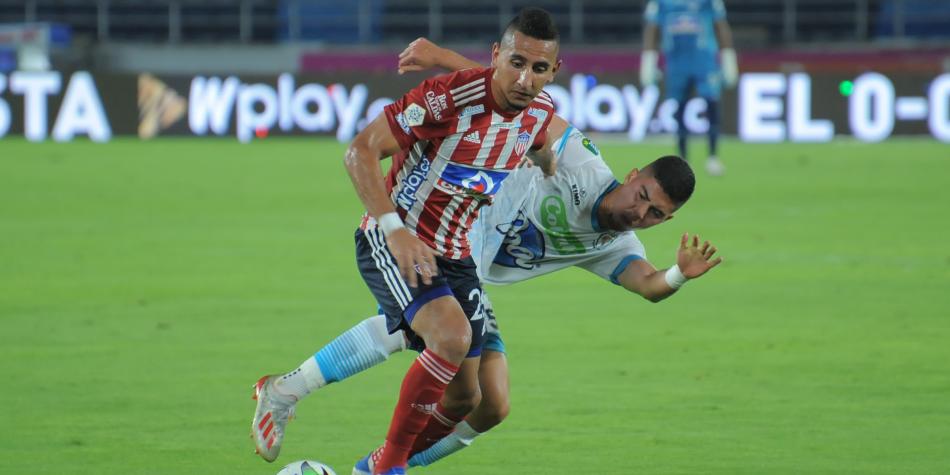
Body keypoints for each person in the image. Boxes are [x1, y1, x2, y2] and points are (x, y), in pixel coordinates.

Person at [256, 36, 723, 474]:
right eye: (641, 195)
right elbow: (515, 90)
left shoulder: (616, 243)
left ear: (664, 222)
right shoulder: (580, 158)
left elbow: (648, 284)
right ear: (633, 173)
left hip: (470, 272)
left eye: (654, 213)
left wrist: (678, 274)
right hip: (450, 232)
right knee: (432, 335)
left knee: (491, 404)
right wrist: (441, 57)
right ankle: (307, 406)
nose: (639, 212)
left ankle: (362, 457)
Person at [251, 8, 562, 475]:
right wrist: (394, 230)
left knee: (467, 396)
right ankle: (388, 467)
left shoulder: (539, 113)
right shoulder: (445, 98)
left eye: (539, 69)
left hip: (456, 255)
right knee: (450, 336)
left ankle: (296, 400)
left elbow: (537, 138)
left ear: (553, 72)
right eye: (516, 62)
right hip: (397, 239)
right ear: (496, 55)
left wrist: (546, 163)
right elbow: (360, 151)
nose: (525, 78)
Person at [640, 0, 739, 177]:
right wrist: (649, 58)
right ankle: (683, 158)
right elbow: (652, 29)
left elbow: (721, 26)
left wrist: (728, 56)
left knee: (712, 106)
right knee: (680, 109)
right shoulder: (662, 3)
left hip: (704, 62)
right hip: (677, 64)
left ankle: (713, 156)